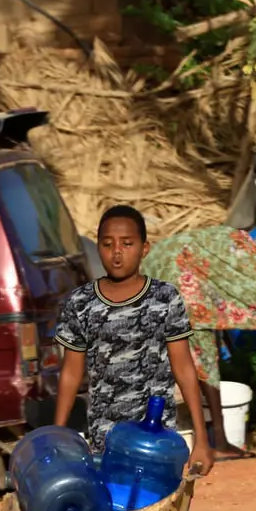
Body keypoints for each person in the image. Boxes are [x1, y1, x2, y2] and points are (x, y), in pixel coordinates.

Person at [54, 204, 214, 475]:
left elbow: (184, 368)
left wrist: (202, 438)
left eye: (127, 244)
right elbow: (71, 373)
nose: (117, 253)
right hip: (106, 442)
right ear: (98, 248)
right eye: (107, 244)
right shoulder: (81, 302)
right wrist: (56, 436)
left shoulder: (164, 297)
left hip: (157, 439)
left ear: (144, 248)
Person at [142, 220, 256, 460]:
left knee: (197, 359)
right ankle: (214, 442)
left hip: (165, 271)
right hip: (179, 277)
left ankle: (211, 440)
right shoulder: (255, 260)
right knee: (203, 361)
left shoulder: (241, 245)